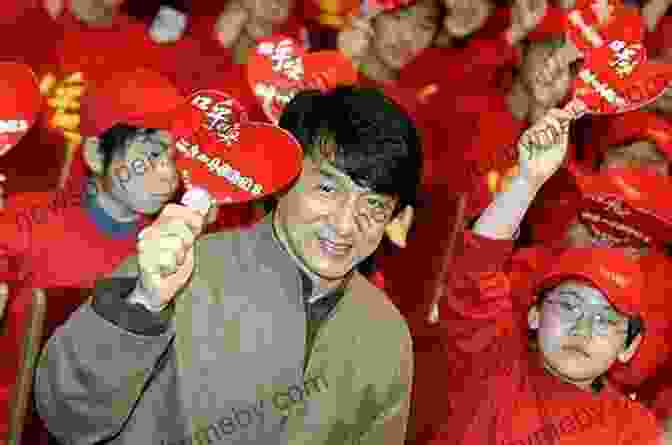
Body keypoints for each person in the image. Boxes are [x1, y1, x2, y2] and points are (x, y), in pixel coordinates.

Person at [35, 86, 420, 444]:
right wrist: (144, 303)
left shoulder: (386, 335)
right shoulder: (183, 268)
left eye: (374, 206)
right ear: (282, 180)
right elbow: (68, 417)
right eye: (327, 188)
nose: (344, 223)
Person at [428, 108, 665, 444]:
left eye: (605, 319)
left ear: (629, 345)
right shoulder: (491, 357)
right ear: (535, 313)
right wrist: (527, 182)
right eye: (569, 306)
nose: (582, 330)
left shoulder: (633, 429)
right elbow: (476, 268)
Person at [0, 68, 182, 290]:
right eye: (152, 153)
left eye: (178, 157)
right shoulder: (21, 224)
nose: (169, 173)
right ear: (95, 154)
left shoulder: (165, 250)